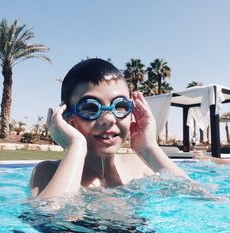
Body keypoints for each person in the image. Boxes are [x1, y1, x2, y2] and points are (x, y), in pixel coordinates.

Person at [30, 58, 192, 199]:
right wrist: (76, 146)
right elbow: (49, 217)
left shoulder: (139, 167)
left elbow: (197, 199)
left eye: (120, 105)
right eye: (90, 108)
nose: (108, 118)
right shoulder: (48, 172)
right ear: (67, 119)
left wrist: (149, 148)